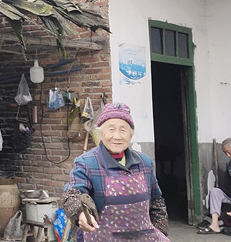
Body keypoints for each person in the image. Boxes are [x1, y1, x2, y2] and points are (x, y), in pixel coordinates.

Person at [63, 103, 169, 241]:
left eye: (123, 130)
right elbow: (72, 195)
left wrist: (160, 232)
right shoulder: (86, 163)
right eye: (111, 129)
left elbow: (157, 202)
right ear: (100, 133)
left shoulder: (145, 163)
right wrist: (80, 214)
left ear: (131, 135)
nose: (117, 136)